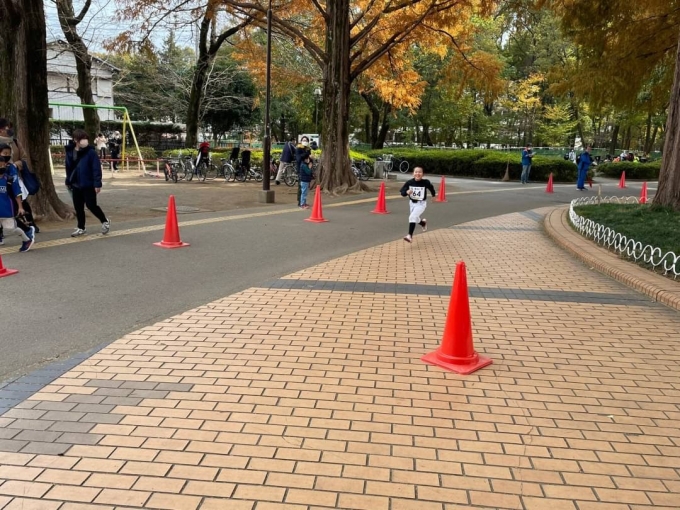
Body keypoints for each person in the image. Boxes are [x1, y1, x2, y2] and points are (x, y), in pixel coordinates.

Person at [65, 129, 110, 237]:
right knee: (78, 207)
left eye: (86, 138)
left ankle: (105, 221)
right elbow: (69, 168)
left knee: (91, 205)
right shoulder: (70, 151)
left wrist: (97, 184)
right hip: (75, 184)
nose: (84, 141)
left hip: (88, 183)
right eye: (82, 138)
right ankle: (81, 227)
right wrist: (68, 180)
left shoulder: (91, 152)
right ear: (75, 140)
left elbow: (96, 169)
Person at [0, 143, 34, 252]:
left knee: (11, 226)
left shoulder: (9, 173)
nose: (7, 156)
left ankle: (27, 235)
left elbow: (16, 190)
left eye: (9, 154)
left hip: (8, 204)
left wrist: (20, 206)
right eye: (4, 153)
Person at [400, 166, 436, 243]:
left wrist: (433, 195)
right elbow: (402, 193)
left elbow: (431, 188)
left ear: (423, 174)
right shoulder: (409, 182)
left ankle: (409, 236)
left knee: (412, 217)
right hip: (412, 203)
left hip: (421, 204)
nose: (417, 173)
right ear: (413, 174)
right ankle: (423, 223)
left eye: (420, 172)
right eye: (416, 172)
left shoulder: (426, 182)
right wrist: (406, 192)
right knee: (414, 218)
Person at [295, 136, 312, 204]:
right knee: (301, 186)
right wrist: (306, 154)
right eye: (303, 140)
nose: (305, 141)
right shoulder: (298, 148)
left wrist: (311, 158)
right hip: (301, 169)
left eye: (306, 140)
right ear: (301, 141)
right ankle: (300, 202)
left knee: (305, 187)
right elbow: (298, 159)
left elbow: (308, 159)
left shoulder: (308, 149)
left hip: (307, 169)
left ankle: (303, 202)